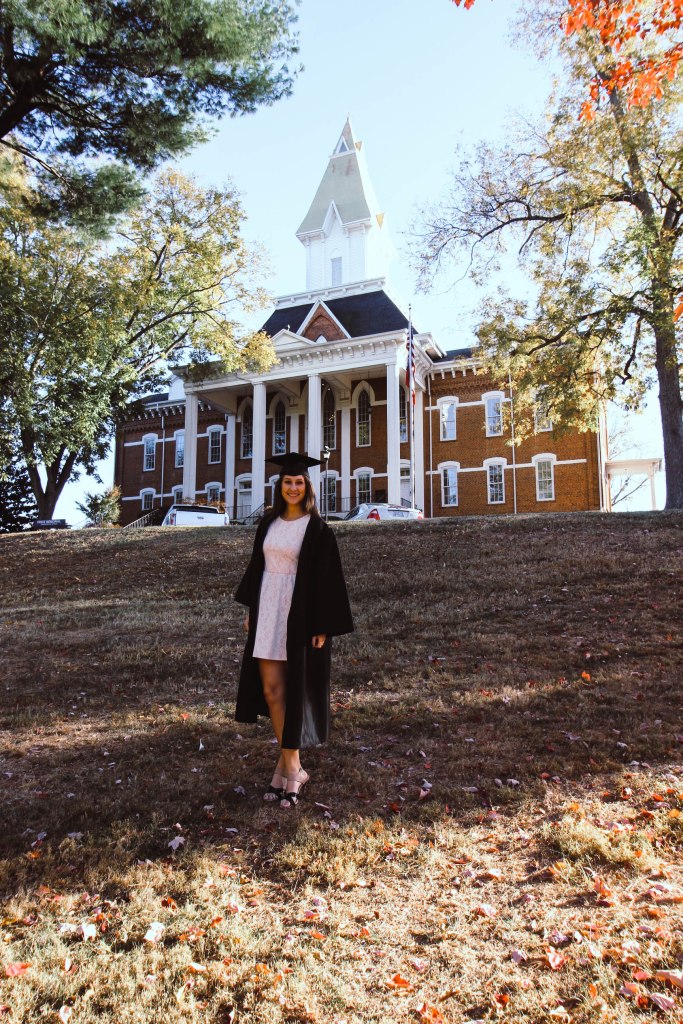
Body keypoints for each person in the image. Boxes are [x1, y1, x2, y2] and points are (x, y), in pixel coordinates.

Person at [234, 453, 354, 808]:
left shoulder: (317, 530)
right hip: (267, 609)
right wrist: (252, 611)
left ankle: (287, 769)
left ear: (307, 487)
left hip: (297, 613)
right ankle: (292, 767)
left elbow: (326, 580)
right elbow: (257, 568)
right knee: (271, 690)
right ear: (280, 485)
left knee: (293, 690)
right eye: (288, 482)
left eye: (299, 482)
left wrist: (322, 626)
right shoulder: (268, 524)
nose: (293, 488)